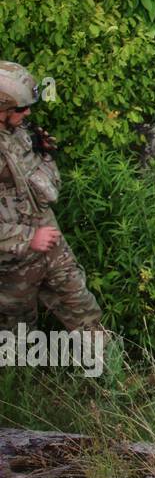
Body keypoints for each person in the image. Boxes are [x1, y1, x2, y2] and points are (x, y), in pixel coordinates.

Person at [0, 62, 104, 333]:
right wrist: (27, 238)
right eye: (20, 108)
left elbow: (41, 186)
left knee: (85, 311)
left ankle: (115, 371)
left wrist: (44, 153)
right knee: (16, 335)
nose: (27, 112)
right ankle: (23, 376)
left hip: (50, 245)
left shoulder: (19, 133)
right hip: (11, 265)